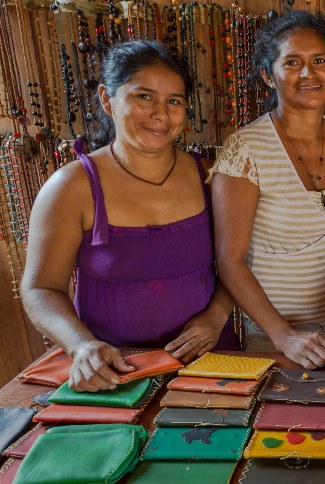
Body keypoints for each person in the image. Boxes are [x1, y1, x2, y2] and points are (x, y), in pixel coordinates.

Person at [20, 41, 240, 392]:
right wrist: (81, 346)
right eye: (144, 96)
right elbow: (40, 288)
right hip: (112, 371)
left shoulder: (211, 176)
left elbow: (239, 260)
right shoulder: (71, 187)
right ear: (107, 99)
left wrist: (215, 318)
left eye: (174, 101)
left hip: (208, 360)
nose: (161, 114)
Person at [211, 10, 325, 369]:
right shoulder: (246, 150)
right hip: (274, 335)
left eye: (319, 61)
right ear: (268, 75)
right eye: (293, 62)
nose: (308, 74)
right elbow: (229, 262)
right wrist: (283, 336)